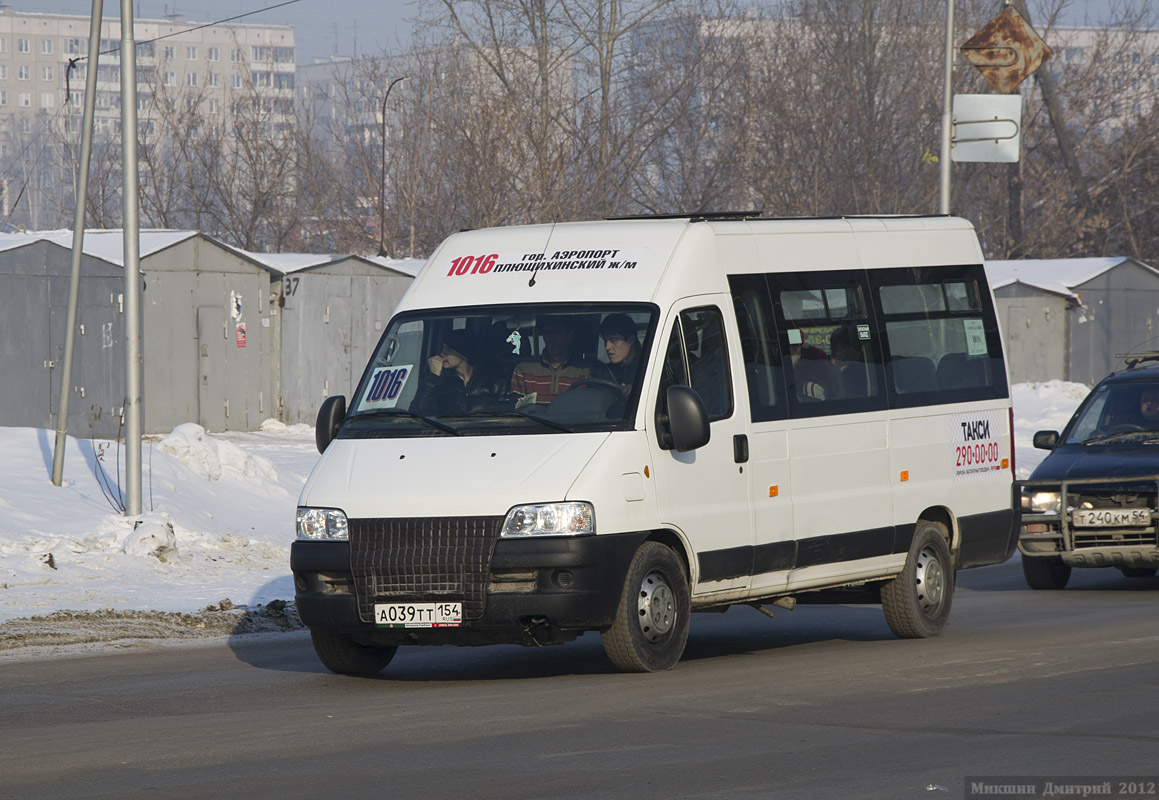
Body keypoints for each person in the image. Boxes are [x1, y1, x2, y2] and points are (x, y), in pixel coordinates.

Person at [417, 329, 507, 415]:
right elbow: (419, 412)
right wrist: (433, 377)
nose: (442, 353)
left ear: (463, 353)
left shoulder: (494, 382)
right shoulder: (440, 380)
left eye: (449, 349)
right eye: (443, 348)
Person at [510, 316, 593, 405]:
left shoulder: (586, 371)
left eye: (555, 332)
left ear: (570, 336)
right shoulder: (524, 370)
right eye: (546, 333)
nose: (550, 338)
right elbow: (515, 411)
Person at [599, 313, 642, 392]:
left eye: (613, 340)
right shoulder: (605, 371)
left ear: (630, 339)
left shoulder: (646, 368)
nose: (607, 347)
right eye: (605, 341)